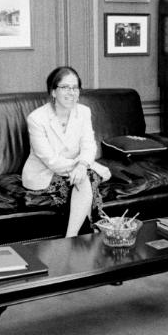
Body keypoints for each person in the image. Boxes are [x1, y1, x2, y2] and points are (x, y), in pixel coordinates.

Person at [21, 66, 112, 237]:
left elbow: (89, 145)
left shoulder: (84, 112)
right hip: (44, 173)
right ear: (53, 92)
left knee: (84, 178)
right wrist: (85, 166)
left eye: (75, 88)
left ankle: (72, 238)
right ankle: (88, 231)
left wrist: (83, 165)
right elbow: (50, 159)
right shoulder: (36, 118)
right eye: (65, 87)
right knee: (87, 178)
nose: (71, 92)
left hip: (76, 168)